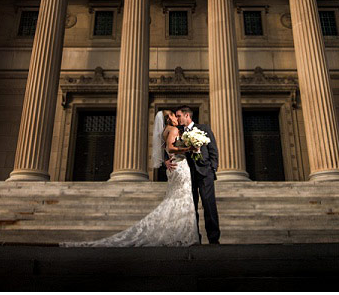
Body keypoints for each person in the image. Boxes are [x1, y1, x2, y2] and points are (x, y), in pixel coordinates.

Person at [59, 109, 200, 247]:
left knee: (176, 199)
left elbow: (165, 149)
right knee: (182, 198)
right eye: (175, 116)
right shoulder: (173, 130)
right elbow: (170, 148)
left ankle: (177, 232)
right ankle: (182, 234)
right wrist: (189, 148)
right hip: (179, 167)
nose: (177, 118)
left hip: (174, 167)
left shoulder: (164, 131)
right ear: (169, 118)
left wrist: (166, 160)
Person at [166, 106, 220, 245]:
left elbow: (213, 149)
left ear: (187, 115)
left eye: (178, 116)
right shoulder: (178, 131)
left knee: (209, 205)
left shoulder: (203, 128)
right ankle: (195, 237)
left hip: (205, 172)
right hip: (187, 174)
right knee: (191, 206)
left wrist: (212, 168)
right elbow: (169, 148)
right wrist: (165, 161)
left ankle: (214, 238)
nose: (177, 119)